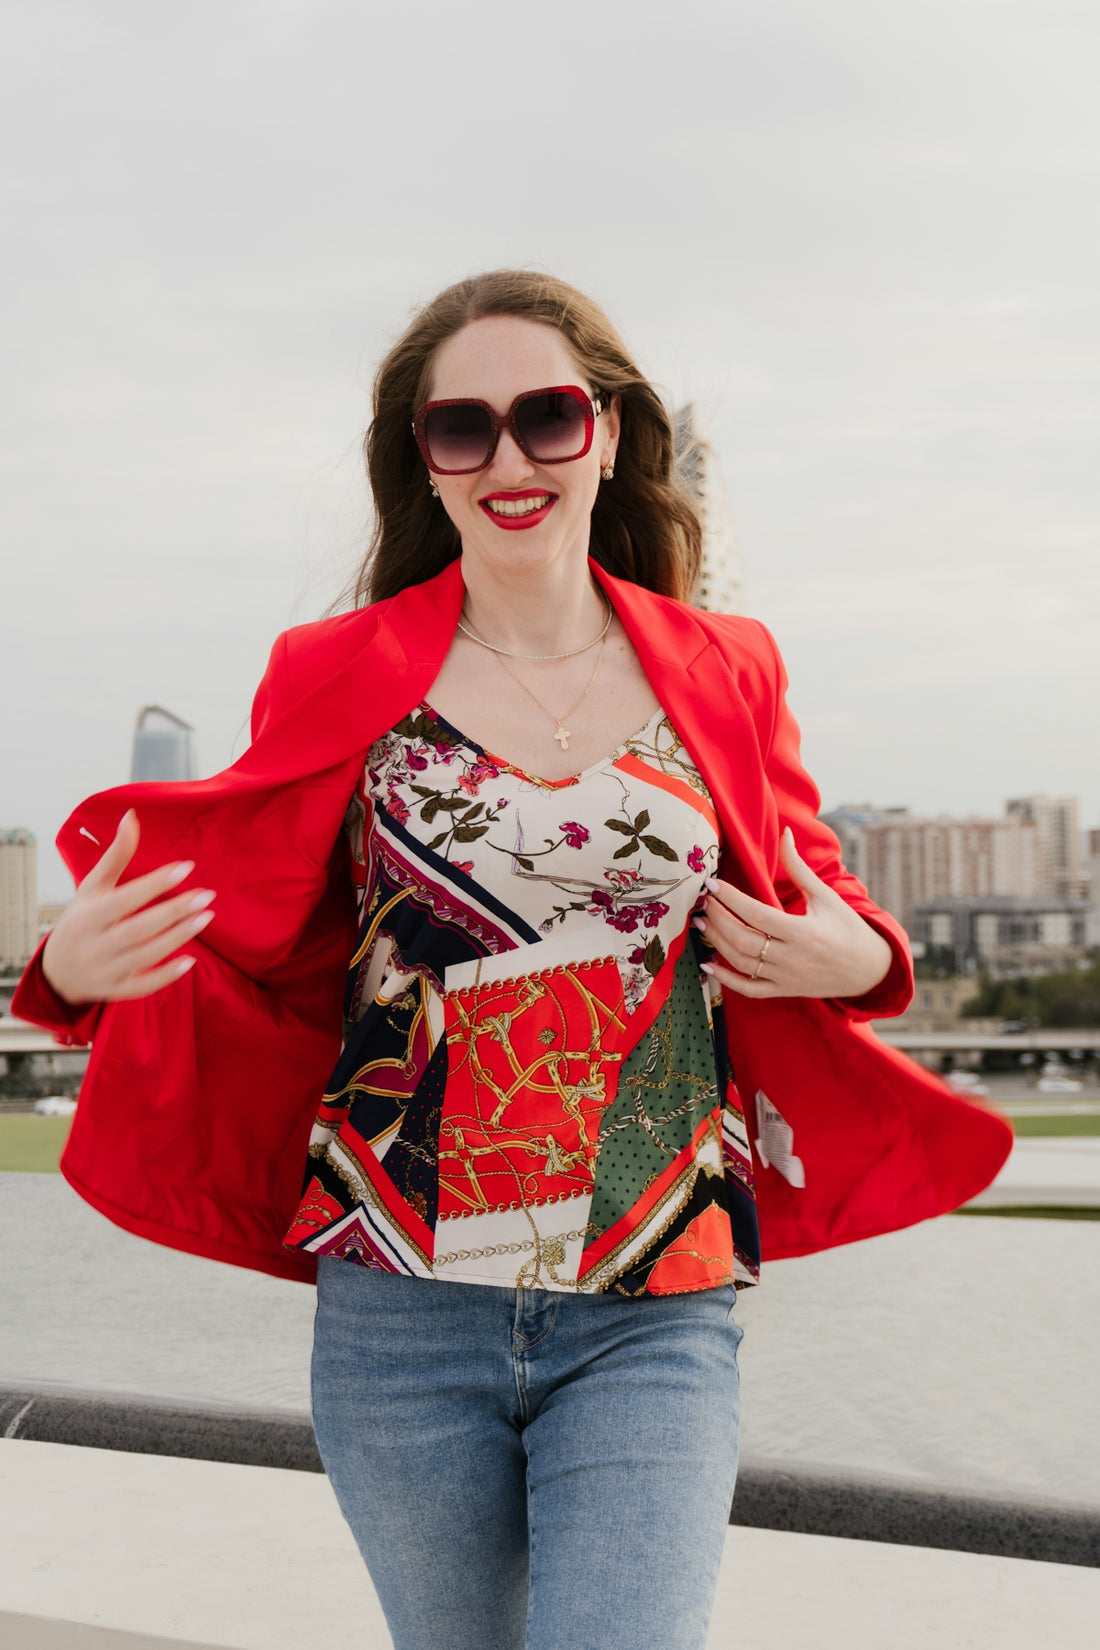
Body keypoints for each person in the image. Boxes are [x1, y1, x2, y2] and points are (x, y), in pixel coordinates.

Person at [14, 270, 1012, 1650]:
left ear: (606, 429)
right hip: (402, 1313)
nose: (510, 458)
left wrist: (861, 954)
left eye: (546, 415)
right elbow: (232, 901)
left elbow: (818, 889)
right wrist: (71, 959)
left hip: (656, 1297)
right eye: (461, 427)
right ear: (424, 460)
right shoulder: (334, 666)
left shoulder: (722, 664)